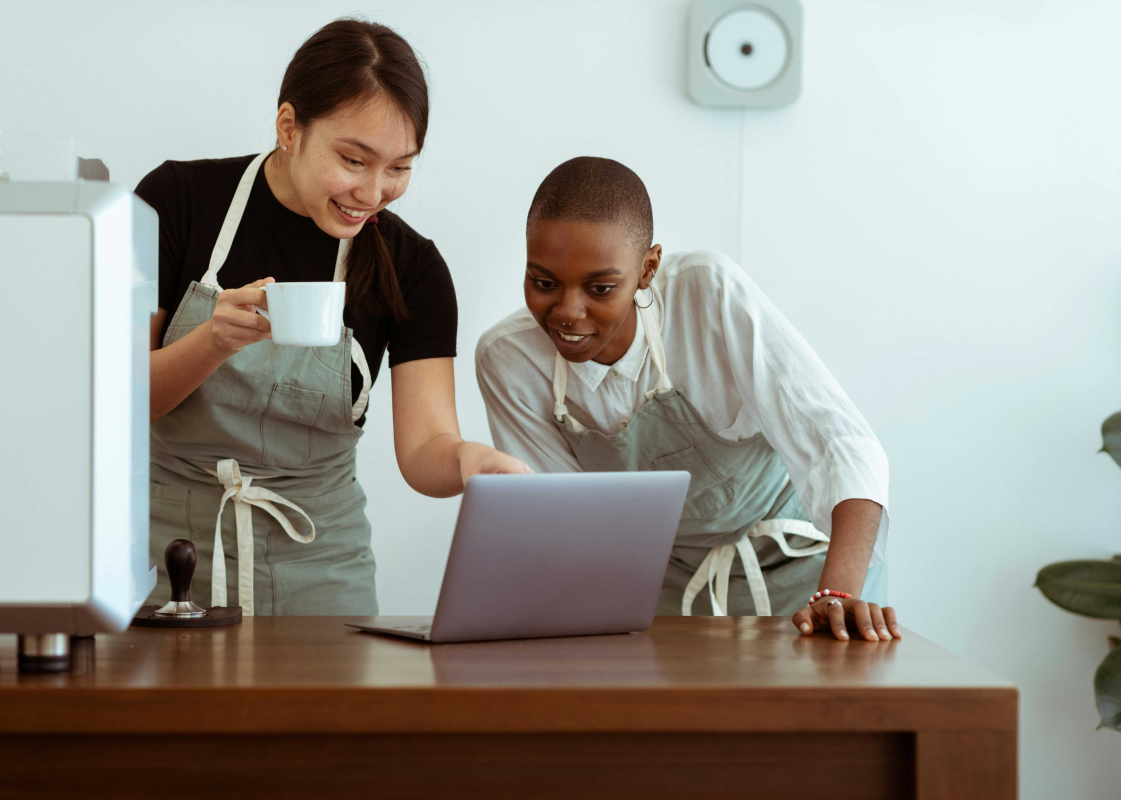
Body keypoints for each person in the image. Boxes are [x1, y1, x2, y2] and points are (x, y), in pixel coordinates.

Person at [137, 19, 529, 617]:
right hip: (171, 557)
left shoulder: (412, 266)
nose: (373, 192)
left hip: (322, 568)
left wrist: (467, 462)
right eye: (354, 159)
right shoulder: (176, 203)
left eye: (399, 167)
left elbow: (425, 446)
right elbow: (123, 399)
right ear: (289, 127)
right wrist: (212, 341)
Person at [475, 157, 898, 641]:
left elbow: (841, 443)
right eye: (543, 283)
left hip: (811, 577)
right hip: (670, 587)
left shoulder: (707, 293)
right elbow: (570, 525)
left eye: (601, 288)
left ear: (648, 268)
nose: (568, 312)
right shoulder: (508, 360)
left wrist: (838, 595)